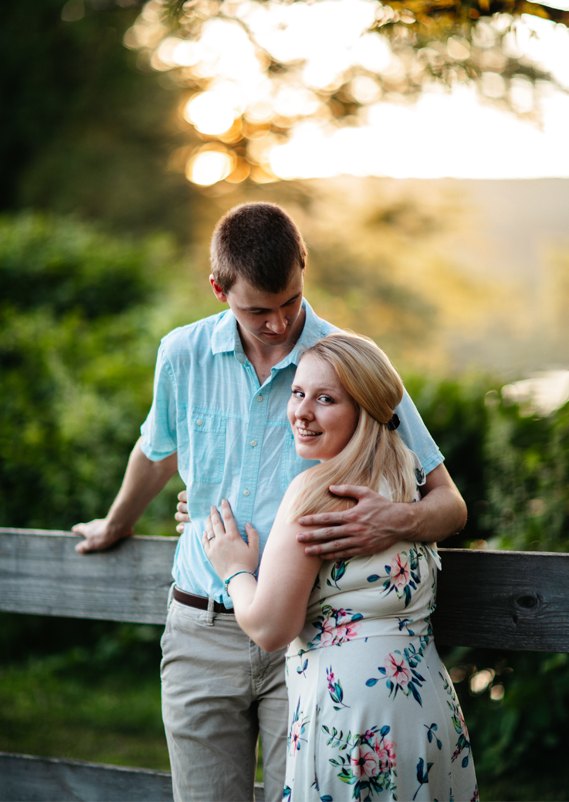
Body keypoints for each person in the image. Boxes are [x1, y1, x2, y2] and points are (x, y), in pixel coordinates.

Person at [72, 202, 467, 801]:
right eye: (259, 310)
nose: (280, 323)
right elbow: (158, 454)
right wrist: (116, 522)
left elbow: (448, 502)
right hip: (200, 628)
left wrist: (396, 518)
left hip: (308, 638)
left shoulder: (349, 363)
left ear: (303, 267)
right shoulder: (181, 354)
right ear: (218, 288)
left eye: (290, 301)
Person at [203, 331, 477, 800]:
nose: (301, 412)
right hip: (424, 710)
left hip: (350, 717)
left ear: (365, 409)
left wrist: (233, 569)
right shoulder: (407, 481)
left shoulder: (315, 493)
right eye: (297, 393)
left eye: (325, 399)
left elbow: (271, 628)